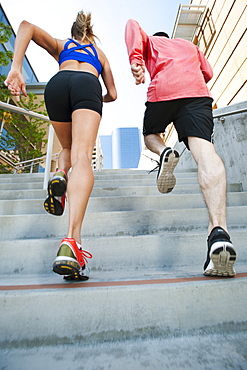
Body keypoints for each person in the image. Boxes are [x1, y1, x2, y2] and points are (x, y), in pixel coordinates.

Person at [5, 10, 117, 280]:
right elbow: (113, 94)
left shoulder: (62, 45)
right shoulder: (99, 55)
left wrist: (16, 67)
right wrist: (91, 97)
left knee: (66, 148)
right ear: (89, 34)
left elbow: (26, 26)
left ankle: (58, 174)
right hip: (88, 86)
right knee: (81, 156)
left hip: (57, 85)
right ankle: (71, 243)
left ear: (72, 33)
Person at [125, 19, 237, 277]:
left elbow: (132, 25)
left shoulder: (152, 42)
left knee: (151, 134)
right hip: (196, 93)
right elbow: (206, 73)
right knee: (205, 151)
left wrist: (136, 60)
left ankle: (164, 151)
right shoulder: (189, 45)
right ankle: (219, 233)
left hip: (164, 90)